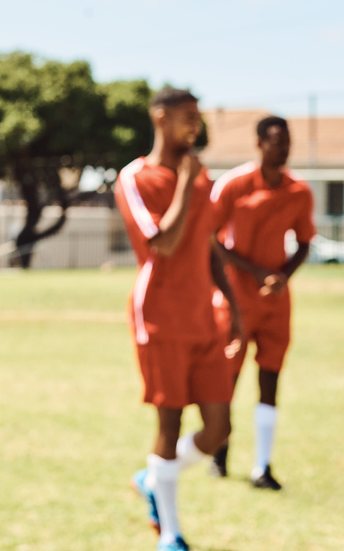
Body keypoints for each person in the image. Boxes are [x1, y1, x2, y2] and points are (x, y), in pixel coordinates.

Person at [115, 87, 244, 551]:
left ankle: (152, 479)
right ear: (160, 117)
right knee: (169, 426)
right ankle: (171, 533)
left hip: (203, 316)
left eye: (198, 117)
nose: (195, 125)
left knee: (219, 429)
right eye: (187, 117)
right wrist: (187, 182)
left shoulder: (201, 176)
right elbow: (163, 245)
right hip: (160, 316)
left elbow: (207, 245)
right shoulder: (135, 176)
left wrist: (233, 306)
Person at [207, 115, 315, 490]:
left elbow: (304, 242)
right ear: (259, 143)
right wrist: (254, 271)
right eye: (275, 141)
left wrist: (282, 276)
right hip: (235, 296)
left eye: (287, 141)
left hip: (275, 299)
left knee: (270, 378)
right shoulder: (235, 184)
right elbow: (211, 239)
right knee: (228, 377)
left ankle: (262, 466)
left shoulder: (299, 191)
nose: (283, 147)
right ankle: (219, 450)